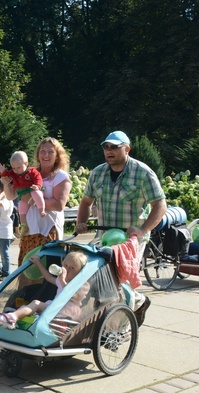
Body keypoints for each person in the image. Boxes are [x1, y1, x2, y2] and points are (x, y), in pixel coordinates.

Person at [75, 131, 167, 325]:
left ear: (127, 149)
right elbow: (85, 202)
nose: (109, 151)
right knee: (93, 280)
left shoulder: (142, 173)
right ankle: (133, 305)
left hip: (130, 241)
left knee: (122, 284)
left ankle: (122, 329)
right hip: (104, 238)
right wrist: (81, 222)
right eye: (106, 147)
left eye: (114, 147)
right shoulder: (97, 173)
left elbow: (160, 205)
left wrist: (142, 230)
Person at [3, 137, 72, 267]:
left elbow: (59, 205)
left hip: (48, 232)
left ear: (57, 156)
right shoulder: (28, 173)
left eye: (51, 151)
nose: (46, 155)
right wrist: (7, 184)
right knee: (27, 275)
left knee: (47, 275)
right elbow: (12, 195)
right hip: (29, 232)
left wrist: (32, 200)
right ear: (38, 154)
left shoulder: (60, 176)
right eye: (43, 151)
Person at [0, 251, 88, 329]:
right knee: (27, 306)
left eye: (72, 268)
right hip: (55, 307)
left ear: (80, 272)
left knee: (36, 303)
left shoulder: (83, 284)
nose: (67, 270)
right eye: (65, 266)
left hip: (68, 312)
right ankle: (12, 316)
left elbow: (73, 296)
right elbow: (48, 278)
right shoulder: (61, 279)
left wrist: (62, 281)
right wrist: (38, 263)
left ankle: (11, 318)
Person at [0, 151, 45, 235]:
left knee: (36, 194)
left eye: (18, 167)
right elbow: (7, 175)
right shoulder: (14, 173)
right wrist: (3, 171)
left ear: (26, 163)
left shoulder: (32, 171)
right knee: (21, 209)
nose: (16, 170)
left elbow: (38, 178)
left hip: (32, 189)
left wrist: (38, 186)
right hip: (22, 192)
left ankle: (42, 210)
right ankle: (23, 225)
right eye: (13, 168)